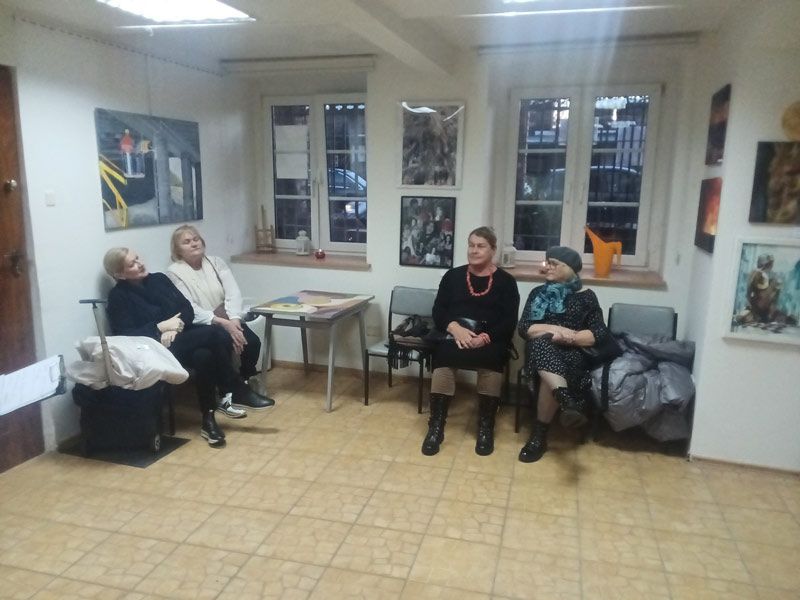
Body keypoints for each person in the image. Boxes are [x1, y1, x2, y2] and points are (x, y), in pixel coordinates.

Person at [103, 247, 271, 447]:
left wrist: (176, 325)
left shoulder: (159, 280)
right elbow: (125, 334)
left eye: (137, 258)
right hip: (156, 348)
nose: (139, 264)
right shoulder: (118, 297)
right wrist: (160, 328)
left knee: (204, 356)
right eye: (132, 264)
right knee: (216, 333)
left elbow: (187, 309)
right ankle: (234, 388)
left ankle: (208, 421)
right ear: (120, 274)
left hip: (182, 337)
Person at [422, 226, 520, 457]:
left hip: (490, 338)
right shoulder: (453, 276)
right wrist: (455, 329)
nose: (474, 251)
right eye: (471, 245)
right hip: (455, 335)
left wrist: (485, 338)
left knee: (492, 359)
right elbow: (438, 311)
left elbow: (509, 320)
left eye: (480, 246)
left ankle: (486, 427)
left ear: (492, 250)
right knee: (443, 357)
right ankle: (436, 426)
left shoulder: (506, 282)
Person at [166, 225, 274, 418]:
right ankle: (230, 393)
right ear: (177, 250)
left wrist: (234, 320)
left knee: (251, 342)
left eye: (196, 239)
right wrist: (222, 323)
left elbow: (233, 293)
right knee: (221, 345)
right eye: (187, 242)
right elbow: (188, 307)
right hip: (203, 324)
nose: (194, 244)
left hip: (228, 316)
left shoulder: (216, 262)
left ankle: (244, 381)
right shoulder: (174, 272)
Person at [516, 246, 611, 463]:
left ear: (571, 269)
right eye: (547, 262)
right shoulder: (538, 293)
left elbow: (598, 333)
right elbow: (525, 328)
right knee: (541, 346)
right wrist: (553, 330)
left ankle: (539, 435)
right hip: (539, 352)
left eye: (554, 263)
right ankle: (567, 403)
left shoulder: (586, 297)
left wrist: (568, 338)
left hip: (573, 353)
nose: (548, 267)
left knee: (549, 368)